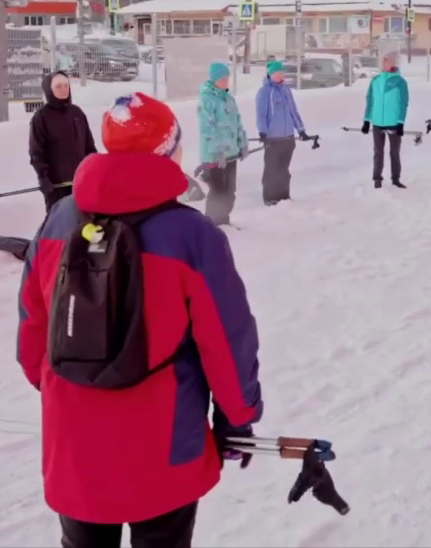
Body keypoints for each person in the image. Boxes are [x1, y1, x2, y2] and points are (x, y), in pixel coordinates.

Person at [16, 92, 262, 548]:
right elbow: (227, 341)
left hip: (75, 438)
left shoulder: (59, 220)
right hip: (162, 440)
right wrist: (237, 419)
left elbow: (33, 323)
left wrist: (63, 388)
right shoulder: (191, 235)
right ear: (166, 150)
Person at [29, 70, 96, 212]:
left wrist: (93, 170)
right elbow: (36, 152)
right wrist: (43, 177)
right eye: (58, 86)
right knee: (59, 222)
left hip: (80, 182)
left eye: (66, 85)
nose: (63, 89)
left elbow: (89, 147)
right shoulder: (41, 117)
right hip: (56, 186)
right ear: (49, 89)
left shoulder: (77, 113)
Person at [197, 62, 249, 226]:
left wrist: (242, 144)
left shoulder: (228, 99)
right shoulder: (206, 100)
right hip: (214, 156)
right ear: (214, 79)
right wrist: (217, 151)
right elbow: (207, 130)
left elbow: (237, 123)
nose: (226, 81)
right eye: (222, 78)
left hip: (231, 154)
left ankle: (224, 222)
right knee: (218, 192)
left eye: (227, 78)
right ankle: (212, 225)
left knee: (229, 193)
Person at [255, 60, 309, 205]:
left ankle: (283, 196)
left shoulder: (286, 91)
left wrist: (301, 130)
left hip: (288, 138)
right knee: (272, 169)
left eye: (281, 72)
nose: (279, 75)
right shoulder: (265, 92)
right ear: (270, 74)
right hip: (273, 139)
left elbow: (293, 112)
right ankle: (270, 197)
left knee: (284, 170)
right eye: (276, 73)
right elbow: (261, 114)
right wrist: (263, 132)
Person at [361, 51, 409, 189]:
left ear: (393, 62)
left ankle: (395, 178)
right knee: (378, 152)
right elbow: (370, 100)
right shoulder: (375, 81)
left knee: (394, 152)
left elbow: (403, 103)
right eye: (382, 60)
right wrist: (366, 120)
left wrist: (401, 122)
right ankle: (377, 179)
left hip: (393, 123)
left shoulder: (400, 82)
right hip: (377, 123)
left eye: (386, 60)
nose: (383, 62)